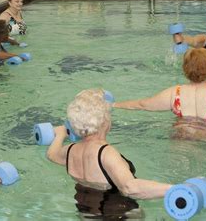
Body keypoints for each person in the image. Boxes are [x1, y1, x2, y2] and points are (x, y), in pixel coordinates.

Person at [47, 89, 172, 219]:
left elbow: (52, 155)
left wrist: (60, 135)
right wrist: (172, 189)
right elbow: (129, 187)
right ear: (104, 120)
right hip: (117, 213)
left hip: (86, 213)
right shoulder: (106, 153)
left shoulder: (70, 150)